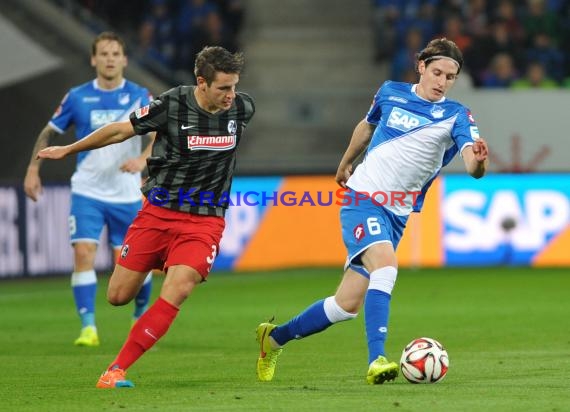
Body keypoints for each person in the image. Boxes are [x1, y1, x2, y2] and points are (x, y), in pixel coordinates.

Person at [255, 38, 489, 384]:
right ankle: (377, 358)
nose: (442, 81)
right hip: (363, 198)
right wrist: (346, 162)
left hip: (396, 215)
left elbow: (471, 162)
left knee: (345, 305)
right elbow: (366, 126)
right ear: (421, 66)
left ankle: (273, 339)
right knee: (387, 267)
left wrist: (480, 162)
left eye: (450, 77)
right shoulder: (390, 92)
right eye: (437, 72)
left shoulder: (456, 114)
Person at [37, 46, 254, 388]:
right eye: (223, 88)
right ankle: (155, 267)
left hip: (204, 222)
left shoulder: (242, 108)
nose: (231, 96)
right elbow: (119, 130)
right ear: (201, 82)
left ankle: (116, 370)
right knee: (118, 296)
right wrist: (68, 149)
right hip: (158, 213)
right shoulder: (172, 104)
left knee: (179, 288)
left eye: (234, 87)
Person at [24, 32, 154, 348]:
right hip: (88, 190)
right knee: (83, 253)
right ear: (93, 59)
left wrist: (142, 159)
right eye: (104, 53)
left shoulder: (140, 95)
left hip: (126, 192)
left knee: (132, 264)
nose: (110, 58)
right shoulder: (77, 97)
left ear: (124, 59)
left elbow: (158, 133)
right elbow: (48, 132)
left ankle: (139, 318)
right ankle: (88, 328)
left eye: (115, 53)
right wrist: (32, 168)